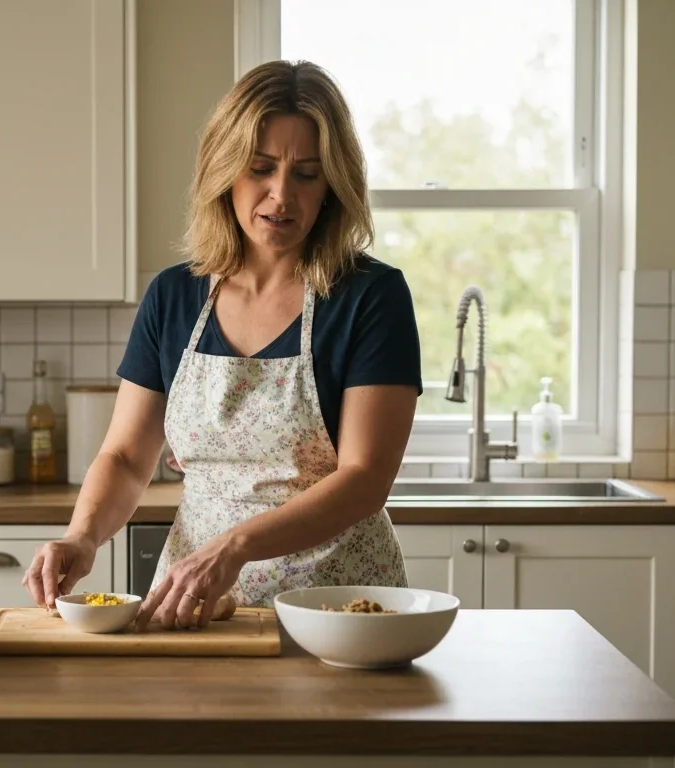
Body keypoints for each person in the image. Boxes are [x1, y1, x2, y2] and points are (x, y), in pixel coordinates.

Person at [22, 60, 423, 631]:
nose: (281, 196)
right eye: (261, 168)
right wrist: (82, 536)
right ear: (224, 169)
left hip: (338, 613)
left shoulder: (370, 296)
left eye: (306, 174)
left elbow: (365, 477)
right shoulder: (173, 296)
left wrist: (233, 547)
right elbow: (126, 456)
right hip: (197, 608)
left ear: (332, 185)